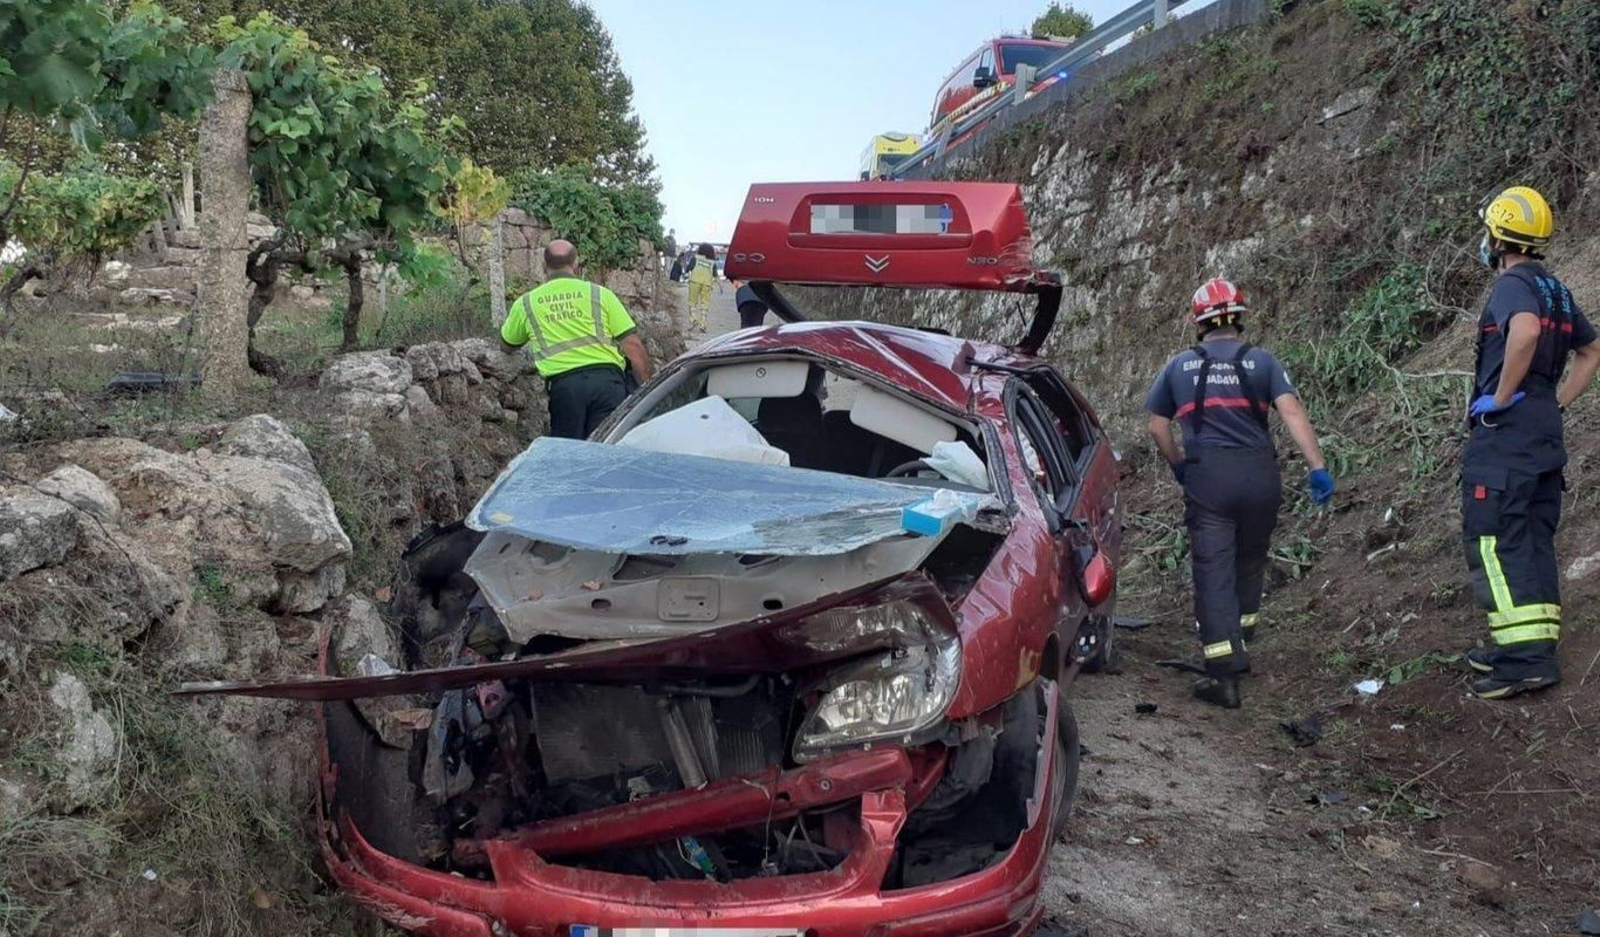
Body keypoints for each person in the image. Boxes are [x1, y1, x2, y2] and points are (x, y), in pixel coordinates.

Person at [1145, 277, 1333, 709]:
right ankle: (1242, 639)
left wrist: (1179, 466)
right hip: (1259, 477)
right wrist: (1317, 468)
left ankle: (1223, 673)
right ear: (1239, 317)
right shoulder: (1262, 362)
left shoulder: (1178, 367)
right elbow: (1292, 412)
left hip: (1209, 478)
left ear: (1198, 322)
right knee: (1250, 560)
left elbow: (1157, 427)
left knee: (1213, 569)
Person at [1459, 186, 1599, 699]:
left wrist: (1500, 397)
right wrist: (1556, 402)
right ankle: (1529, 647)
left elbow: (1524, 334)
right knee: (1532, 539)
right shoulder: (1556, 289)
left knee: (1495, 538)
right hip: (1542, 433)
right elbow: (1592, 350)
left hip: (1507, 439)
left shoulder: (1512, 285)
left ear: (1499, 239)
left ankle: (1525, 662)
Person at [500, 239, 653, 439]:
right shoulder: (600, 294)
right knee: (607, 446)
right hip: (607, 384)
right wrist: (647, 391)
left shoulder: (526, 303)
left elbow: (507, 345)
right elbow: (633, 345)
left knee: (569, 451)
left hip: (565, 388)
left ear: (543, 267)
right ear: (576, 265)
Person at [685, 242, 717, 331]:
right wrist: (721, 286)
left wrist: (685, 272)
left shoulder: (695, 258)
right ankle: (703, 324)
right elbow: (715, 275)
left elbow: (689, 268)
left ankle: (693, 320)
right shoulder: (712, 263)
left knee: (692, 302)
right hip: (707, 284)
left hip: (694, 281)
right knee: (705, 303)